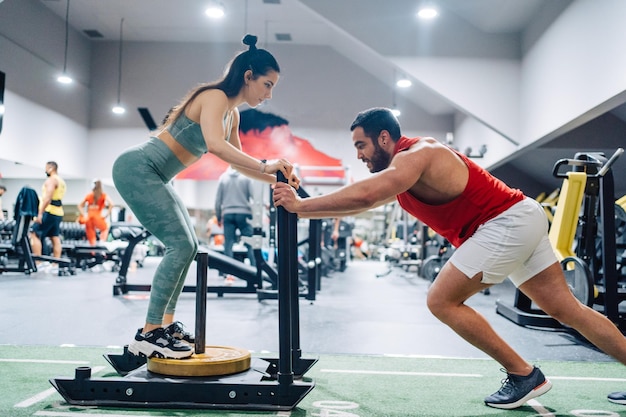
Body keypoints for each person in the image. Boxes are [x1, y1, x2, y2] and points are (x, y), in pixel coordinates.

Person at [272, 107, 626, 410]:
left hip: (503, 222)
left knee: (442, 300)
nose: (359, 155)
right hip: (520, 216)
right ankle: (529, 375)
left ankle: (524, 375)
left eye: (361, 145)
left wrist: (300, 206)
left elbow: (367, 196)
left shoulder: (415, 155)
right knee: (568, 310)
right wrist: (304, 201)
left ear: (384, 138)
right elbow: (366, 199)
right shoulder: (401, 171)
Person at [112, 34, 299, 360]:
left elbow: (238, 164)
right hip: (138, 168)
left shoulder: (233, 115)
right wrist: (268, 165)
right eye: (267, 85)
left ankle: (164, 327)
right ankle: (149, 333)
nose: (269, 94)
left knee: (189, 248)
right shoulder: (213, 98)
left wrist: (276, 176)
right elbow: (215, 144)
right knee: (181, 245)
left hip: (157, 175)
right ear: (248, 77)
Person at [215, 166, 257, 267]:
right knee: (250, 243)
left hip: (228, 213)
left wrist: (218, 217)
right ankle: (255, 270)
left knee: (228, 243)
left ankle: (229, 273)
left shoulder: (223, 178)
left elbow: (218, 200)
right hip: (244, 214)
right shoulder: (246, 177)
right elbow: (254, 197)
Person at [30, 161, 66, 259]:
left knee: (34, 233)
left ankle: (38, 262)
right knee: (54, 237)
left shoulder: (51, 180)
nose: (45, 170)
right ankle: (56, 264)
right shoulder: (61, 181)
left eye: (46, 168)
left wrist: (40, 213)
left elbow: (48, 198)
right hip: (58, 212)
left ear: (51, 168)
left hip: (49, 211)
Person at [77, 179, 114, 246]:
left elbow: (79, 205)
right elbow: (112, 204)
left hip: (88, 218)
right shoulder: (103, 195)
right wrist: (107, 214)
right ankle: (101, 243)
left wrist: (84, 215)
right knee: (105, 229)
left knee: (91, 238)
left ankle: (93, 251)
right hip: (98, 217)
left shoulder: (89, 195)